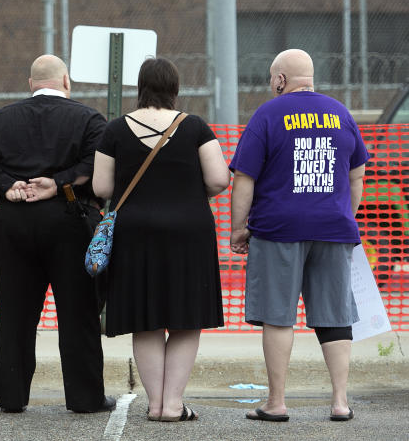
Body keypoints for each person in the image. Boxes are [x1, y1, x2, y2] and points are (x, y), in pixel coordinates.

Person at [0, 54, 116, 414]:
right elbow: (99, 161)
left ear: (32, 84)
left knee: (14, 311)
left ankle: (10, 395)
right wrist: (59, 182)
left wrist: (7, 185)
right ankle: (84, 397)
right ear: (66, 81)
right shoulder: (89, 119)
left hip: (13, 221)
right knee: (78, 312)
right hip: (69, 219)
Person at [229, 48, 368, 423]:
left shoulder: (267, 115)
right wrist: (342, 216)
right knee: (335, 316)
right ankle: (340, 402)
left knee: (278, 316)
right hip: (334, 229)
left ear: (279, 80)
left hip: (277, 230)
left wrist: (238, 228)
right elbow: (357, 175)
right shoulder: (341, 113)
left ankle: (277, 402)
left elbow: (244, 179)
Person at [92, 57, 231, 422]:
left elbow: (101, 187)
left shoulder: (115, 130)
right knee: (186, 318)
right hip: (189, 232)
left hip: (134, 235)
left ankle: (155, 404)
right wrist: (184, 190)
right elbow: (219, 179)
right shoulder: (196, 127)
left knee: (146, 317)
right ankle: (173, 403)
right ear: (175, 89)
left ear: (139, 88)